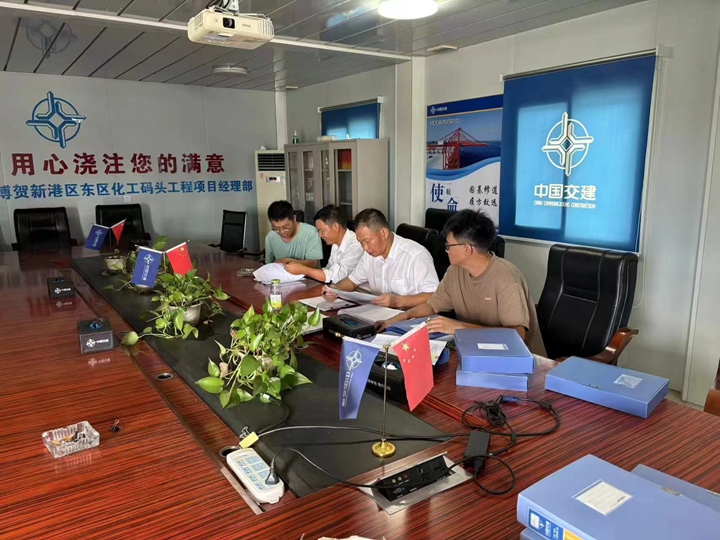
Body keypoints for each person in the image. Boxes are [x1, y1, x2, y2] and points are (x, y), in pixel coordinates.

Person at [379, 209, 546, 356]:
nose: (446, 251)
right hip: (472, 349)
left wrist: (457, 327)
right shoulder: (455, 270)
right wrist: (401, 318)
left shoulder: (507, 279)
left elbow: (516, 335)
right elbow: (432, 306)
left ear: (467, 249)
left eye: (449, 246)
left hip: (518, 358)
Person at [322, 208, 439, 309]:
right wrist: (334, 289)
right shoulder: (369, 255)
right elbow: (352, 281)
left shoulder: (415, 256)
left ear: (384, 233)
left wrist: (399, 301)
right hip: (379, 315)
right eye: (361, 242)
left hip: (411, 319)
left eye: (367, 241)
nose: (365, 248)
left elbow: (434, 296)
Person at [284, 205, 363, 283]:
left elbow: (337, 276)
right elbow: (329, 269)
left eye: (322, 230)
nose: (320, 235)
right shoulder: (335, 244)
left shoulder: (356, 244)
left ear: (336, 227)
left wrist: (304, 270)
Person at [264, 200, 323, 267]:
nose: (282, 232)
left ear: (294, 219)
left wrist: (287, 261)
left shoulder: (311, 233)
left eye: (286, 227)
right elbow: (268, 265)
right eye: (276, 228)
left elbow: (313, 263)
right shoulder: (270, 237)